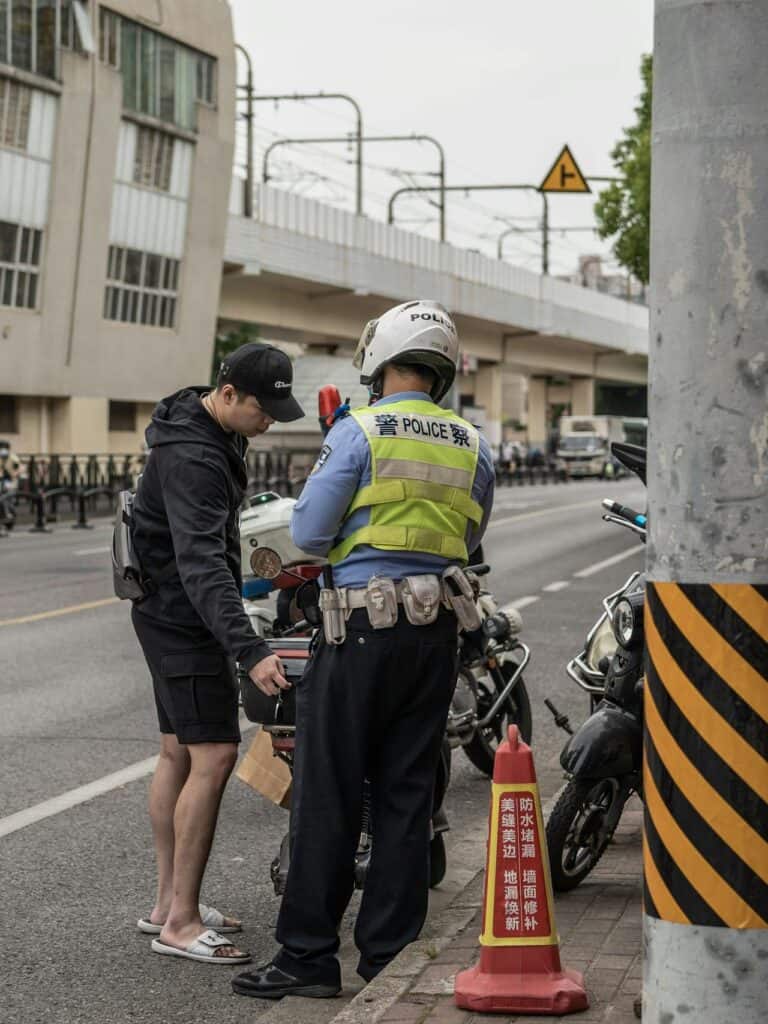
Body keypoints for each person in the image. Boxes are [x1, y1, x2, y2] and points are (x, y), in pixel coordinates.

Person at [233, 300, 495, 999]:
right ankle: (390, 960)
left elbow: (312, 534)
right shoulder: (472, 441)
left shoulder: (360, 431)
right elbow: (471, 542)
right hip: (434, 636)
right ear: (440, 370)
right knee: (408, 794)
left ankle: (308, 958)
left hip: (358, 633)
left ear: (379, 363)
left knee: (330, 793)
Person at [130, 342, 304, 964]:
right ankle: (180, 923)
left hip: (165, 607)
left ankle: (165, 905)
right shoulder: (197, 457)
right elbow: (202, 562)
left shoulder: (196, 423)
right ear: (228, 395)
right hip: (182, 617)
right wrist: (250, 646)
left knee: (177, 749)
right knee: (216, 753)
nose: (269, 422)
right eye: (264, 410)